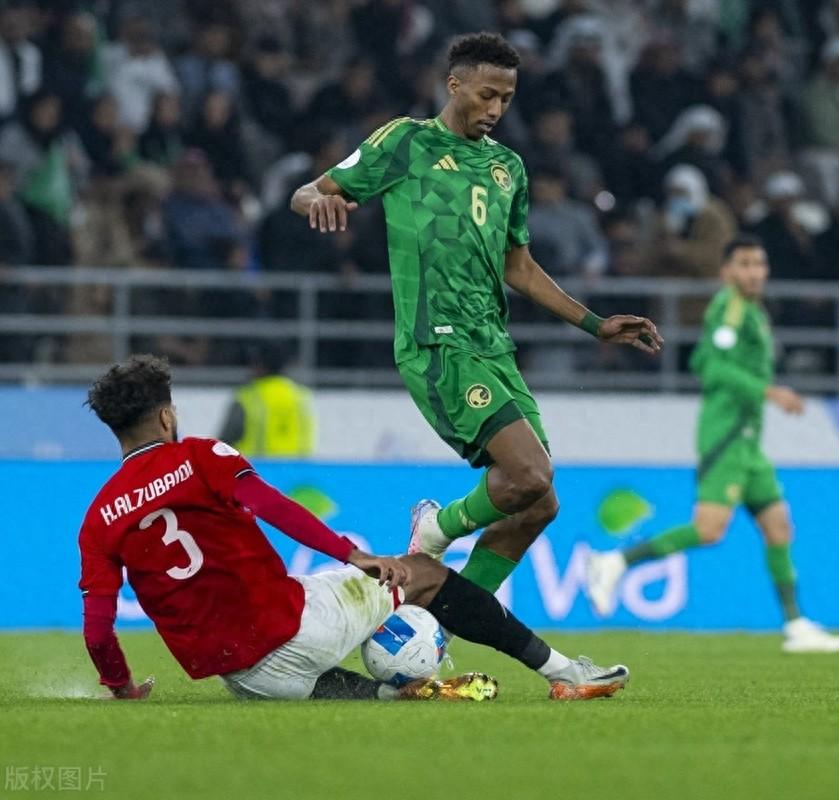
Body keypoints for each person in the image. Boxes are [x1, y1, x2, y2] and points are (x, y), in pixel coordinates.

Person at [289, 33, 662, 596]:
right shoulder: (406, 141)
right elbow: (305, 192)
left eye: (506, 99)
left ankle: (437, 626)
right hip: (437, 343)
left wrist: (595, 324)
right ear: (454, 84)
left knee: (539, 502)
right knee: (528, 473)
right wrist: (317, 201)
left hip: (493, 347)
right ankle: (434, 529)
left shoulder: (508, 167)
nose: (495, 109)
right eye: (486, 95)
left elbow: (521, 268)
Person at [79, 355, 630, 702]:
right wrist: (352, 554)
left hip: (249, 678)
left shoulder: (98, 517)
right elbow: (275, 508)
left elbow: (99, 631)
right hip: (293, 628)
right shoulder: (200, 457)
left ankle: (397, 693)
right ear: (167, 416)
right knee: (423, 572)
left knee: (301, 653)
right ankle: (565, 673)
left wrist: (121, 686)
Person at [585, 236, 839, 654]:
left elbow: (704, 360)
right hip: (725, 438)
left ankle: (796, 625)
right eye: (744, 264)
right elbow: (711, 367)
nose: (754, 272)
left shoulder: (752, 312)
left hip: (749, 445)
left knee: (778, 526)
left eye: (759, 263)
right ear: (726, 271)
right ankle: (615, 562)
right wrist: (769, 392)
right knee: (709, 530)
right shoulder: (729, 308)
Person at [218, 344, 316, 458]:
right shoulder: (301, 396)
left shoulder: (248, 397)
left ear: (260, 366)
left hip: (254, 467)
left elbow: (224, 443)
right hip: (297, 468)